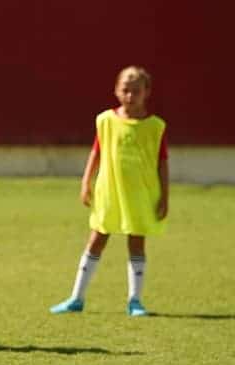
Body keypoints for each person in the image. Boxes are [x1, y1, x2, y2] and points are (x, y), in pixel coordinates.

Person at [50, 65, 169, 316]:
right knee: (96, 240)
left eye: (136, 91)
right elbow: (97, 152)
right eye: (125, 90)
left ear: (147, 92)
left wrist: (165, 196)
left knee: (136, 243)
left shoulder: (156, 127)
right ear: (116, 90)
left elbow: (162, 162)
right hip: (109, 193)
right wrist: (86, 182)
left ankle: (135, 301)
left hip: (140, 196)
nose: (130, 96)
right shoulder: (105, 121)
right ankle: (76, 298)